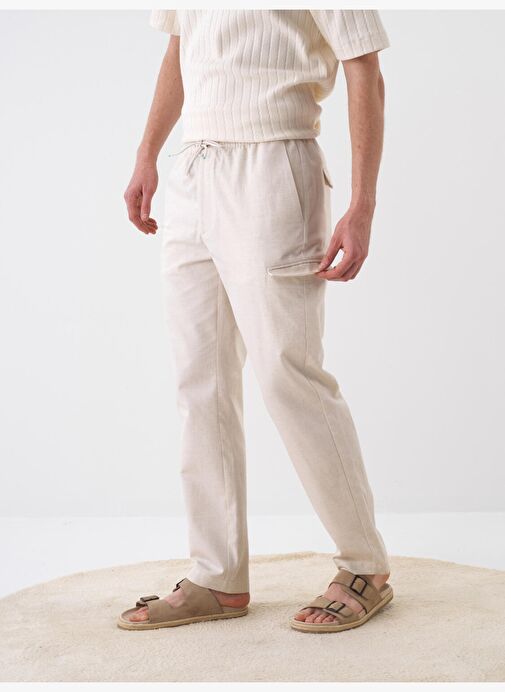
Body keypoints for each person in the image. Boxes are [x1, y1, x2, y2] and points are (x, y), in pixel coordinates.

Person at [118, 9, 393, 634]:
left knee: (286, 374)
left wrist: (362, 204)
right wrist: (147, 154)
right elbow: (180, 47)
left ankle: (366, 567)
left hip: (275, 165)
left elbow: (365, 67)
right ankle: (217, 575)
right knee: (200, 381)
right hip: (193, 170)